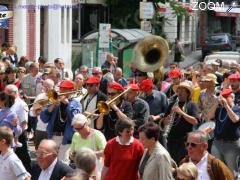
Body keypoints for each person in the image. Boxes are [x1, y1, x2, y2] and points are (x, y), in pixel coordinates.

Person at [40, 80, 82, 164]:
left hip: (66, 138)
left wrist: (67, 105)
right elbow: (43, 119)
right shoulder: (54, 100)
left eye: (64, 89)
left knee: (63, 163)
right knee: (50, 161)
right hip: (53, 135)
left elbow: (76, 120)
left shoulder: (76, 103)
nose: (61, 91)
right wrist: (52, 105)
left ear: (71, 91)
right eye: (61, 89)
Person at [161, 81, 199, 163]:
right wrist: (165, 120)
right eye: (179, 90)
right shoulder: (172, 104)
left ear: (187, 93)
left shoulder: (191, 105)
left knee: (182, 162)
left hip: (184, 141)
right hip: (171, 139)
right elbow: (163, 121)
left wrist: (181, 113)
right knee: (171, 162)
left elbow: (195, 121)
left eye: (182, 90)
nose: (179, 92)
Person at [207, 88, 240, 176]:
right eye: (222, 97)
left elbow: (235, 119)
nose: (223, 99)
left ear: (232, 97)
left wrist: (226, 105)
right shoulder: (219, 109)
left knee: (232, 170)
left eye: (226, 97)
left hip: (231, 144)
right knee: (217, 169)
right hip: (217, 143)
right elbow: (209, 116)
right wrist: (216, 103)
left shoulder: (237, 108)